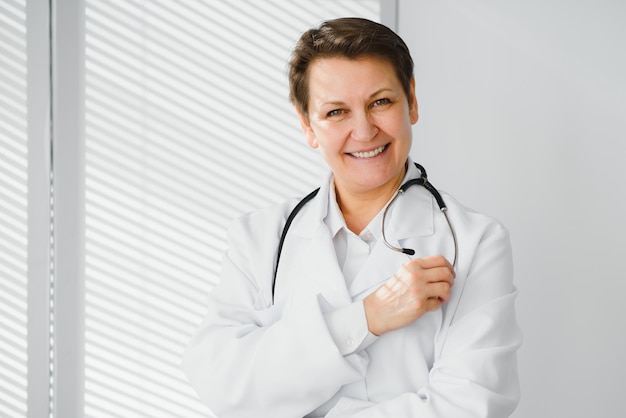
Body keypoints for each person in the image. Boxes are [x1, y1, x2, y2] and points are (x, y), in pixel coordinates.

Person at [183, 17, 521, 418]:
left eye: (380, 102)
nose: (363, 131)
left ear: (411, 100)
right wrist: (367, 317)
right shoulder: (260, 238)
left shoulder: (474, 243)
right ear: (307, 124)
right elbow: (223, 385)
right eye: (336, 112)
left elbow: (470, 406)